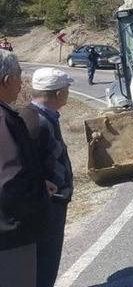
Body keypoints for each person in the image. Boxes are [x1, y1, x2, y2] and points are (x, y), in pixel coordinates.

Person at [0, 50, 48, 287]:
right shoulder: (4, 119)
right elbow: (11, 179)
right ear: (7, 80)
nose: (22, 83)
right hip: (11, 233)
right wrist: (38, 194)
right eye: (19, 76)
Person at [23, 68, 75, 287]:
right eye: (67, 89)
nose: (68, 93)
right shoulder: (37, 122)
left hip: (52, 200)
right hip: (47, 203)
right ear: (58, 93)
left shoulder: (41, 116)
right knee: (46, 260)